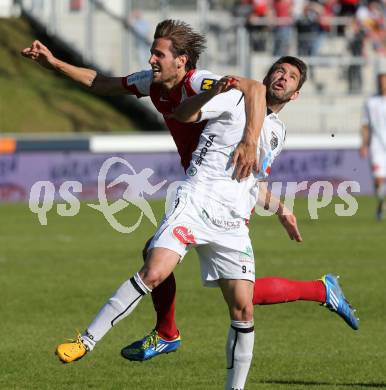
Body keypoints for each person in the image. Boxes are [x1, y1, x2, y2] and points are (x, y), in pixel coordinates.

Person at [21, 19, 359, 387]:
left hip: (231, 213)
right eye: (278, 70)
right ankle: (101, 340)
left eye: (290, 76)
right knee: (155, 265)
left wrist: (278, 205)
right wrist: (54, 63)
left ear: (181, 61)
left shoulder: (255, 117)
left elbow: (249, 172)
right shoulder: (181, 86)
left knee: (244, 303)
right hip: (197, 194)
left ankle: (178, 338)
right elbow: (103, 83)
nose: (151, 59)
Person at [360, 71, 386, 221]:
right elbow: (365, 125)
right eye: (380, 81)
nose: (382, 84)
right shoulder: (371, 102)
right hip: (377, 145)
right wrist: (364, 144)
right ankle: (381, 201)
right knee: (378, 180)